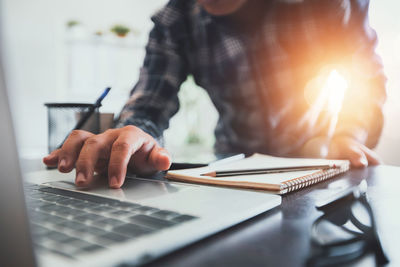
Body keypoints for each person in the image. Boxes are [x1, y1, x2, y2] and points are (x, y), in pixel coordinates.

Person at [43, 0, 386, 189]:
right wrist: (136, 132)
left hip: (320, 163)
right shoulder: (174, 20)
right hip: (231, 169)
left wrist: (348, 134)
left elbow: (366, 77)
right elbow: (149, 103)